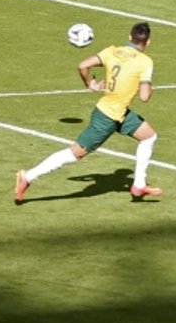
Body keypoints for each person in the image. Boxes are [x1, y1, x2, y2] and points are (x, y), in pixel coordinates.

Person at [15, 22, 162, 202]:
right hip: (107, 117)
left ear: (130, 37)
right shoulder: (145, 62)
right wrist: (147, 84)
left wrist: (89, 83)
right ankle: (28, 176)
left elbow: (83, 65)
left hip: (120, 112)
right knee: (75, 153)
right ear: (148, 42)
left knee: (148, 137)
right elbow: (145, 97)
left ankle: (138, 185)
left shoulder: (112, 51)